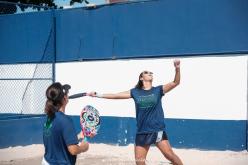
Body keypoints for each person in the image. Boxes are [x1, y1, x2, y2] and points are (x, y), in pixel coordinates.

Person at [89, 60, 183, 165]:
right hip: (142, 131)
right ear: (141, 78)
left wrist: (177, 68)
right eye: (147, 72)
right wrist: (98, 94)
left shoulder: (158, 90)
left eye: (151, 73)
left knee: (170, 155)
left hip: (157, 130)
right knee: (139, 162)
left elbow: (176, 82)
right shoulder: (135, 92)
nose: (150, 73)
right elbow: (116, 95)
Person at [42, 82, 91, 165]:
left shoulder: (49, 117)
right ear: (64, 98)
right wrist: (84, 147)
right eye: (67, 93)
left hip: (46, 161)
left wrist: (78, 136)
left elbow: (56, 137)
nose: (68, 95)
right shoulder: (66, 120)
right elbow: (73, 150)